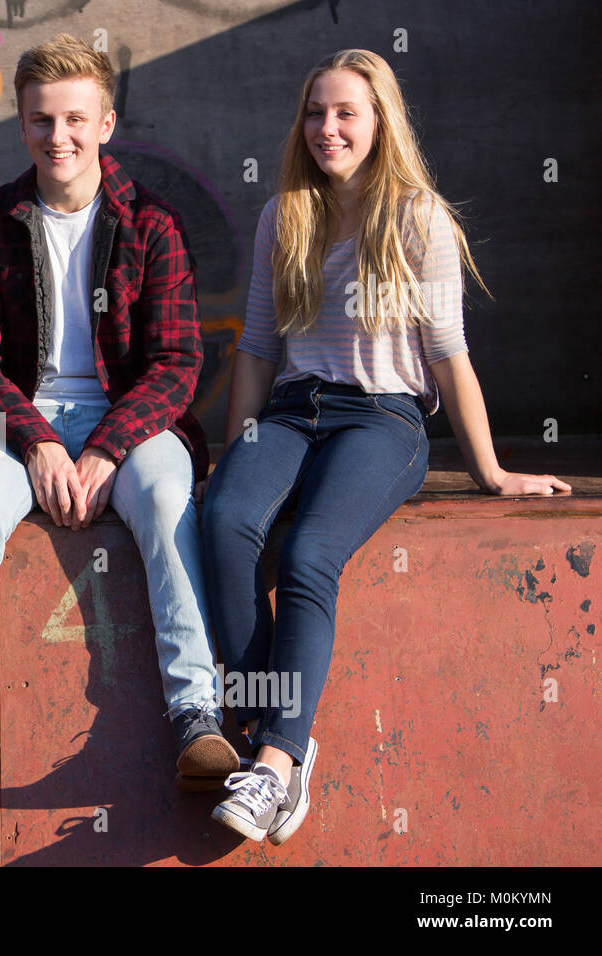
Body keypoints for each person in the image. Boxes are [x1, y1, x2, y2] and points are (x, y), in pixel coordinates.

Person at [202, 49, 571, 845]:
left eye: (346, 113)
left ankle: (272, 761)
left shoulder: (418, 217)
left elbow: (448, 354)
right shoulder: (284, 214)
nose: (327, 128)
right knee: (225, 523)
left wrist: (491, 470)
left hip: (383, 419)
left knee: (307, 555)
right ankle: (281, 740)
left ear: (380, 123)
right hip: (294, 410)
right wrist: (237, 453)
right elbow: (259, 349)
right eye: (314, 112)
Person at [0, 34, 237, 793]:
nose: (60, 137)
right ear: (22, 125)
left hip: (134, 419)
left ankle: (198, 715)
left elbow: (178, 364)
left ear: (106, 124)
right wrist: (40, 441)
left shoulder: (153, 223)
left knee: (168, 502)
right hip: (22, 420)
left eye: (76, 119)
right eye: (43, 121)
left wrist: (109, 447)